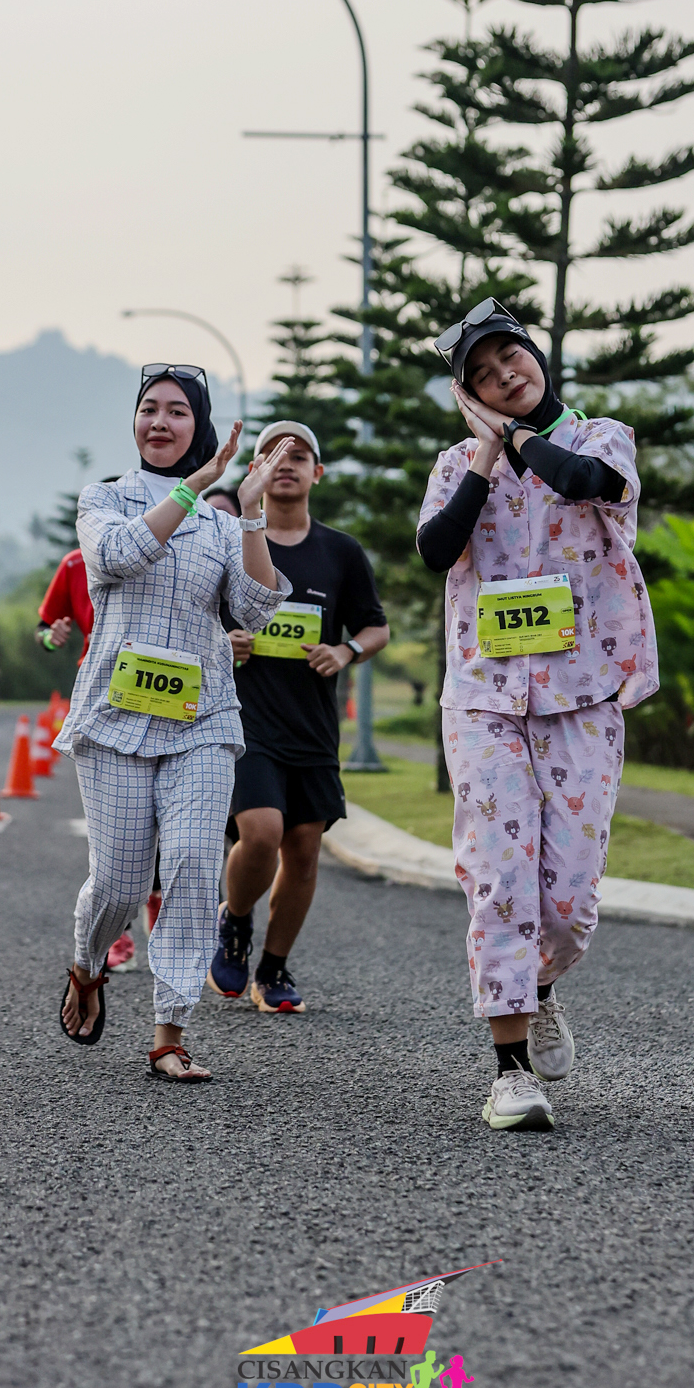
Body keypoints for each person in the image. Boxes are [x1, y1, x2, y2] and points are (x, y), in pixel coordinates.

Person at [417, 298, 656, 1133]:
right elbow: (436, 550)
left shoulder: (602, 439)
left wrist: (516, 436)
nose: (504, 376)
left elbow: (584, 484)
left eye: (510, 358)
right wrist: (486, 451)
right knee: (499, 879)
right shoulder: (457, 465)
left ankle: (542, 984)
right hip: (484, 700)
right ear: (467, 395)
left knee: (569, 902)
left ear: (537, 354)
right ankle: (510, 1071)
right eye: (482, 376)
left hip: (581, 696)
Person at [54, 363, 295, 1080]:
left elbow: (255, 609)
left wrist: (248, 513)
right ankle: (87, 962)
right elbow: (117, 557)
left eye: (177, 411)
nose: (160, 422)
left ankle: (170, 1033)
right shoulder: (105, 499)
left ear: (201, 425)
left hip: (202, 718)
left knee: (192, 866)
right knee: (121, 884)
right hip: (115, 715)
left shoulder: (222, 523)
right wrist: (194, 488)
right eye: (149, 409)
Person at [210, 422, 389, 1012]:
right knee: (261, 833)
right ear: (253, 471)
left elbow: (375, 627)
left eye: (300, 455)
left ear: (318, 473)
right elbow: (190, 616)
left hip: (311, 725)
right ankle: (236, 921)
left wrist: (346, 651)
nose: (285, 463)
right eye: (271, 454)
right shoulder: (228, 542)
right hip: (243, 719)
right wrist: (221, 641)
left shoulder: (341, 552)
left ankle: (273, 970)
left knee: (305, 848)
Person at [36, 514, 153, 973]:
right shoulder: (73, 565)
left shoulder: (170, 550)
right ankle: (116, 930)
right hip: (103, 694)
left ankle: (156, 903)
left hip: (169, 690)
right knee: (118, 825)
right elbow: (43, 630)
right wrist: (52, 638)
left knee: (168, 818)